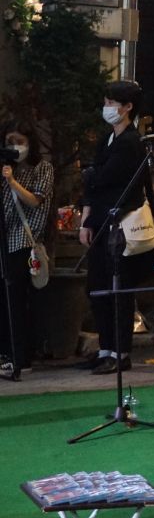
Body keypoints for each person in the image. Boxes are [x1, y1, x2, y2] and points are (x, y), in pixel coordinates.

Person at [78, 80, 152, 374]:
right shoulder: (108, 138)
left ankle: (120, 352)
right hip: (100, 222)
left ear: (127, 107)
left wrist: (92, 176)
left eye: (111, 103)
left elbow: (102, 178)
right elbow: (93, 183)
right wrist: (86, 219)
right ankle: (105, 348)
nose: (106, 108)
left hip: (121, 225)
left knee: (118, 289)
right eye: (106, 102)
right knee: (98, 287)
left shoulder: (131, 142)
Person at [1, 122, 53, 378]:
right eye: (9, 142)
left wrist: (11, 181)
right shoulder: (5, 167)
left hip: (24, 240)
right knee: (5, 300)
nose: (15, 147)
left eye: (19, 141)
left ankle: (21, 356)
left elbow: (34, 200)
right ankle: (6, 354)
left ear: (30, 143)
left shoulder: (42, 168)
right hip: (4, 241)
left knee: (18, 300)